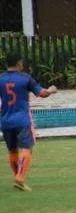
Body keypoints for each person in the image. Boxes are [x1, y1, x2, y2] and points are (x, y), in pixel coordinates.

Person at [0, 53, 58, 191]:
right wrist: (51, 90)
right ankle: (20, 178)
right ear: (19, 63)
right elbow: (41, 93)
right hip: (22, 120)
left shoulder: (0, 79)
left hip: (5, 121)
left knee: (12, 150)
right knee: (26, 148)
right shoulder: (25, 78)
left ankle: (20, 179)